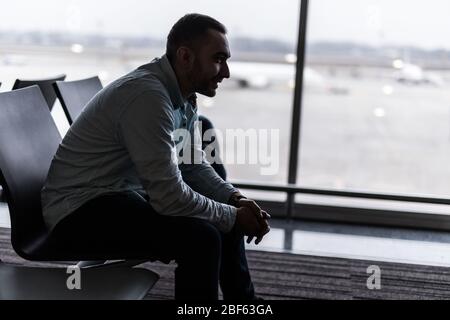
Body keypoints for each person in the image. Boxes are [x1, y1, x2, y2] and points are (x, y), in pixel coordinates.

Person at [41, 13, 270, 300]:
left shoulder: (182, 95)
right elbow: (169, 197)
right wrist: (233, 217)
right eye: (218, 59)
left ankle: (243, 303)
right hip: (77, 212)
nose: (225, 72)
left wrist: (235, 200)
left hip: (118, 195)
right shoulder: (148, 97)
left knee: (224, 213)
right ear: (185, 56)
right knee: (203, 237)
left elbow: (192, 164)